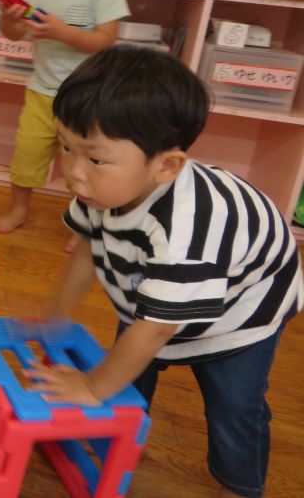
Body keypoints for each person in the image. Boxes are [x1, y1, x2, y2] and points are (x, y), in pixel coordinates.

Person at [29, 45, 302, 498]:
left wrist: (94, 388)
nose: (72, 172)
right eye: (65, 147)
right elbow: (86, 250)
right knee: (130, 370)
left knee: (234, 406)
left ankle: (240, 485)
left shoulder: (183, 236)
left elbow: (155, 330)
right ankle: (114, 443)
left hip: (243, 311)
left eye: (93, 157)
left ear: (166, 166)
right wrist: (57, 312)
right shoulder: (101, 188)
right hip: (153, 293)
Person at [0, 0, 129, 238]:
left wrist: (61, 31)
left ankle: (81, 226)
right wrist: (9, 18)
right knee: (27, 153)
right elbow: (16, 34)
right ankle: (19, 208)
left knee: (83, 166)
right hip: (41, 90)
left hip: (86, 98)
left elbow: (106, 42)